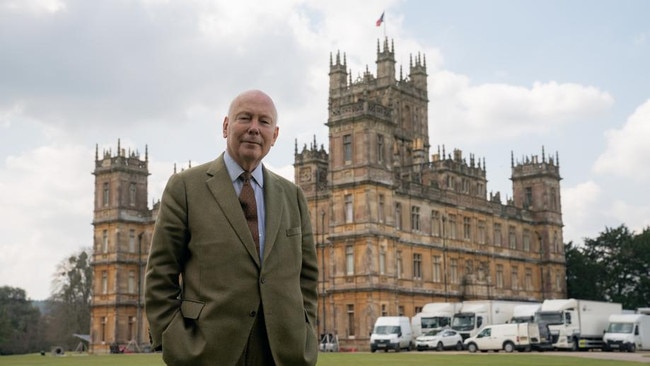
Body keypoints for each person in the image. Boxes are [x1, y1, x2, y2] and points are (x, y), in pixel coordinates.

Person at [145, 89, 319, 366]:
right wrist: (173, 339)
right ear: (226, 126)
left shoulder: (292, 195)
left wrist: (307, 331)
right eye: (245, 118)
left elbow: (307, 277)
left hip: (282, 352)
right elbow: (160, 274)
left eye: (264, 122)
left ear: (274, 135)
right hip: (207, 351)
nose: (254, 128)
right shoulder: (186, 187)